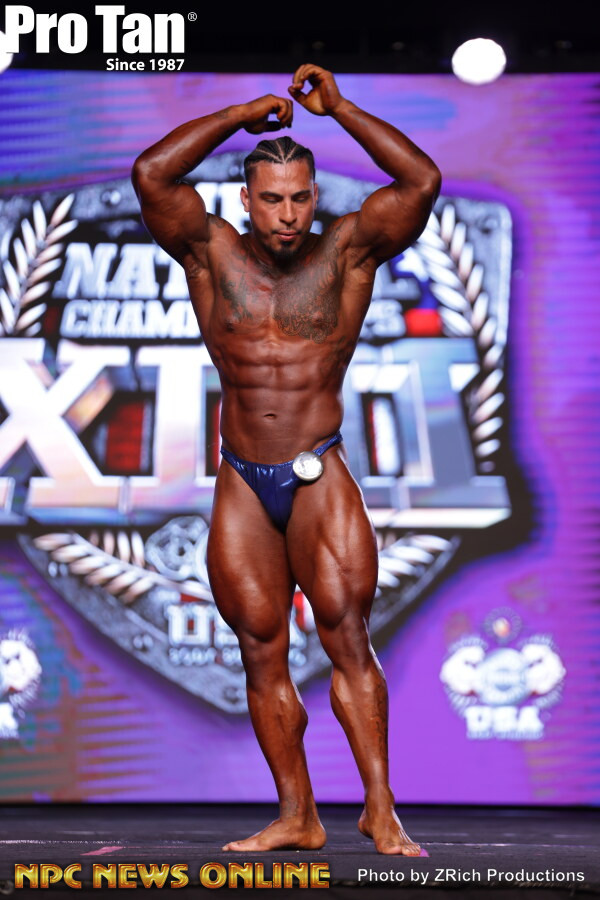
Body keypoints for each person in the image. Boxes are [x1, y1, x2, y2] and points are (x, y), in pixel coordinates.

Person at [132, 64, 441, 856]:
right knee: (260, 647)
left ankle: (380, 810)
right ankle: (298, 815)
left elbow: (421, 180)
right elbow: (153, 173)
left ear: (316, 195)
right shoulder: (209, 252)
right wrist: (238, 113)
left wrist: (340, 110)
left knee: (346, 638)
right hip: (242, 476)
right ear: (246, 199)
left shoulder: (349, 252)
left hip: (317, 470)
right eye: (272, 199)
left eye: (300, 197)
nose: (288, 214)